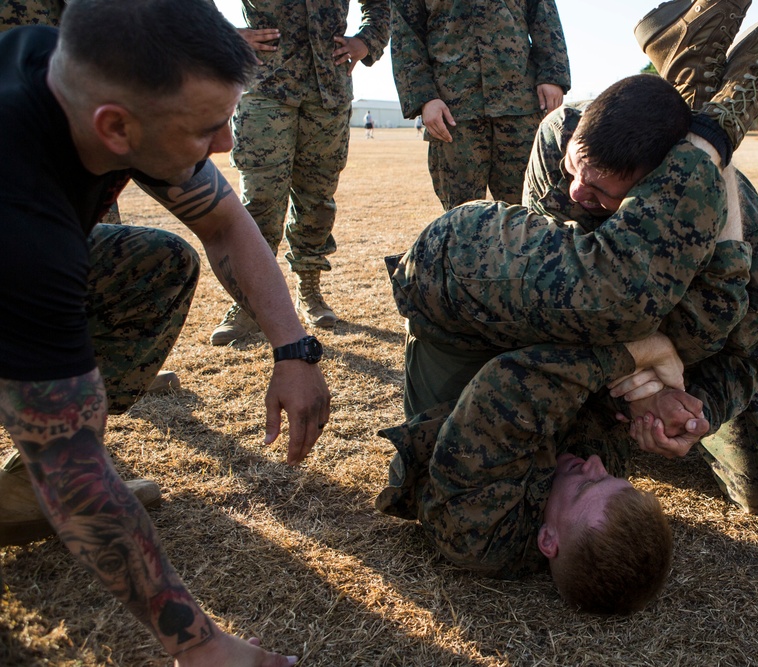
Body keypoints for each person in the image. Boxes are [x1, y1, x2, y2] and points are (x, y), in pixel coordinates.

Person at [377, 0, 758, 614]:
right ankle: (706, 135)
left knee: (620, 299)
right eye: (611, 473)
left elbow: (524, 378)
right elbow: (737, 343)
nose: (593, 463)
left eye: (592, 481)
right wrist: (692, 407)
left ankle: (706, 126)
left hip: (457, 286)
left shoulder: (481, 527)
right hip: (584, 296)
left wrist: (638, 362)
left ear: (547, 541)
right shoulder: (584, 485)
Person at [0, 1, 332, 664]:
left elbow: (224, 222)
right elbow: (78, 473)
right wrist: (201, 645)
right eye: (208, 129)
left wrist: (293, 349)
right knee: (66, 456)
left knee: (156, 264)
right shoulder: (23, 229)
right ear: (116, 128)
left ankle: (14, 490)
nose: (226, 147)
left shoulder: (63, 65)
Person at [210, 0, 390, 344]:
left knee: (317, 200)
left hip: (329, 91)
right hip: (266, 87)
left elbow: (379, 4)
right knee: (260, 201)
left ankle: (309, 289)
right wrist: (221, 34)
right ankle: (249, 304)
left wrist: (367, 40)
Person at [389, 0, 571, 211]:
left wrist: (553, 75)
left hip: (520, 104)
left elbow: (543, 12)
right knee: (461, 215)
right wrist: (424, 98)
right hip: (453, 109)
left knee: (532, 211)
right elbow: (405, 33)